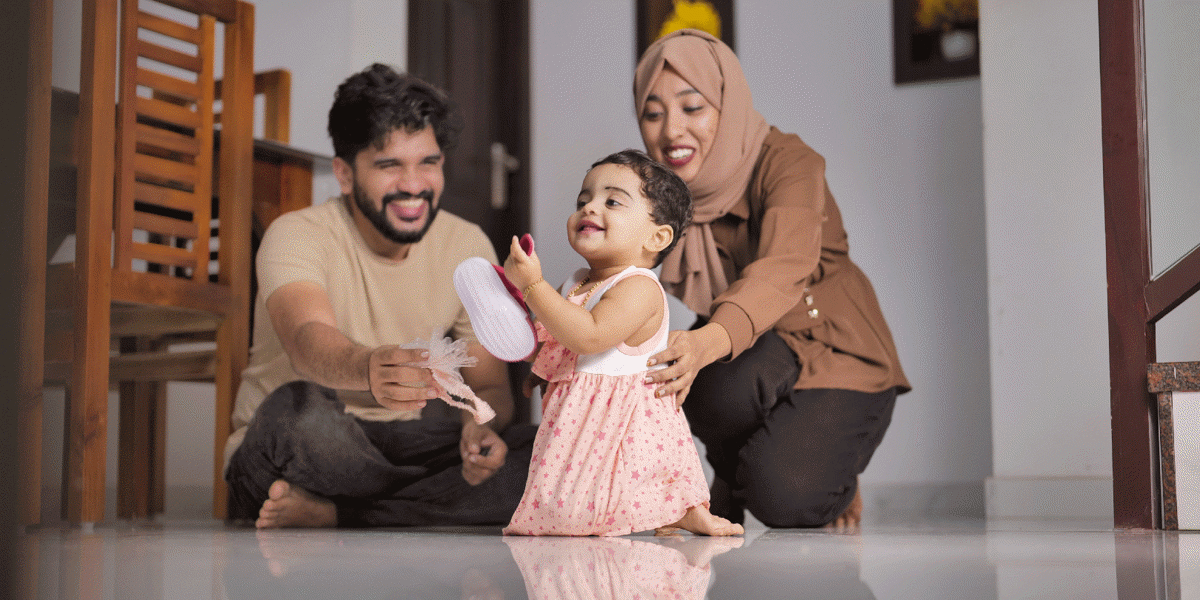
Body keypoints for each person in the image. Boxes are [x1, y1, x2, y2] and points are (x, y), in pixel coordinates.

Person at [223, 63, 536, 528]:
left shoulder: (466, 245)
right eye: (389, 166)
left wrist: (479, 428)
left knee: (550, 452)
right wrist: (367, 368)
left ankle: (338, 513)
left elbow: (490, 389)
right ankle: (412, 508)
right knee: (296, 414)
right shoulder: (296, 234)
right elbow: (306, 339)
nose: (413, 185)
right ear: (345, 174)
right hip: (307, 442)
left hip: (402, 446)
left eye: (428, 163)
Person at [634, 30, 911, 528]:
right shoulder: (667, 191)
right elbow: (622, 264)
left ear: (728, 105)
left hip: (837, 348)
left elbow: (783, 267)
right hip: (759, 348)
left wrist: (704, 344)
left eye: (692, 107)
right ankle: (734, 474)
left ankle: (833, 476)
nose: (672, 131)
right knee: (701, 389)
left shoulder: (789, 162)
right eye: (653, 114)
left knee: (785, 499)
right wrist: (567, 332)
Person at [493, 149, 741, 536]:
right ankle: (671, 511)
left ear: (657, 237)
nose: (589, 208)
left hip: (622, 415)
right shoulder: (576, 281)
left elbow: (589, 335)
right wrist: (543, 367)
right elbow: (559, 338)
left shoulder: (638, 287)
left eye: (612, 202)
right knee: (567, 499)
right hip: (580, 413)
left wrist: (533, 286)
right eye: (583, 200)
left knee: (615, 484)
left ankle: (679, 509)